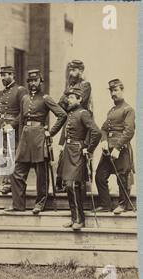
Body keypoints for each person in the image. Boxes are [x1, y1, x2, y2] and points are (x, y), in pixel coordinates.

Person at [4, 69, 67, 214]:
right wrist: (12, 126)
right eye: (31, 81)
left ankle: (40, 203)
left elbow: (62, 115)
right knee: (16, 172)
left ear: (40, 81)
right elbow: (21, 118)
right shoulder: (24, 98)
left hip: (39, 138)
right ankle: (18, 204)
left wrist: (50, 133)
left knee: (41, 174)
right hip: (26, 138)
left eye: (35, 81)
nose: (33, 84)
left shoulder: (45, 98)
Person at [60, 87, 101, 230]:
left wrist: (88, 149)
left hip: (77, 152)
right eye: (68, 97)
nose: (68, 100)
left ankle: (79, 219)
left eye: (72, 97)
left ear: (79, 99)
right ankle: (74, 218)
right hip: (68, 151)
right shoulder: (70, 113)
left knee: (73, 185)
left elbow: (96, 132)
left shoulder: (83, 113)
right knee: (68, 186)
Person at [95, 79, 135, 214]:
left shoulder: (128, 109)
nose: (113, 93)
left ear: (122, 90)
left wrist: (117, 148)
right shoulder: (111, 110)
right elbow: (104, 128)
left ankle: (123, 205)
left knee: (122, 177)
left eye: (116, 90)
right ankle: (105, 205)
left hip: (121, 149)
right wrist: (104, 141)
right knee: (100, 175)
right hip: (108, 149)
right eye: (111, 91)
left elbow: (129, 131)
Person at [56, 59, 93, 192]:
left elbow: (76, 103)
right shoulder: (70, 86)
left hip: (81, 126)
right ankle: (65, 185)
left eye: (74, 70)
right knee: (63, 156)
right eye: (70, 70)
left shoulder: (85, 85)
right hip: (70, 123)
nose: (71, 73)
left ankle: (81, 190)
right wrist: (66, 102)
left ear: (81, 71)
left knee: (81, 161)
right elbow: (60, 104)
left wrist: (67, 101)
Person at [0, 66, 28, 194]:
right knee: (2, 154)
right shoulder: (2, 92)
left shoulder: (20, 90)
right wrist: (0, 116)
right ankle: (5, 182)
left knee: (11, 155)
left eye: (6, 75)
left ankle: (10, 184)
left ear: (12, 75)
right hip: (1, 125)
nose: (3, 78)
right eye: (1, 75)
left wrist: (12, 124)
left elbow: (24, 111)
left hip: (12, 127)